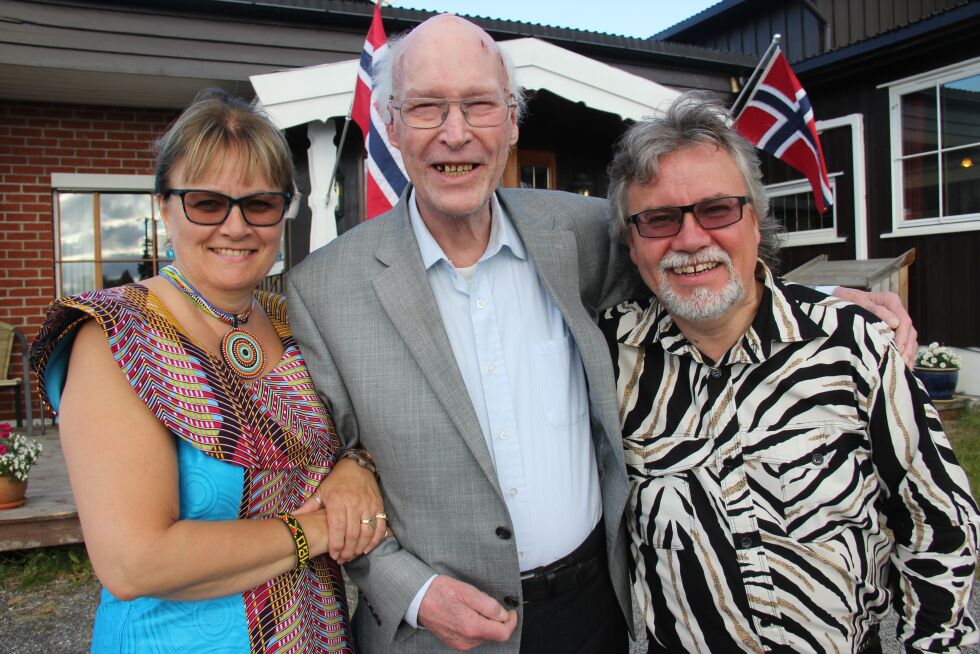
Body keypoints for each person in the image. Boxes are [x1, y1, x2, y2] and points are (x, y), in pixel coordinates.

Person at [287, 15, 918, 654]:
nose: (457, 133)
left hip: (595, 614)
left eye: (479, 105)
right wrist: (414, 590)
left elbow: (692, 262)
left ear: (511, 122)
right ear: (390, 124)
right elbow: (316, 484)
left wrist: (819, 305)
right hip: (435, 636)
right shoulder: (323, 291)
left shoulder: (585, 233)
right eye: (427, 108)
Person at [600, 93, 980, 654]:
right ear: (632, 246)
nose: (690, 239)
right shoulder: (604, 357)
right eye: (659, 220)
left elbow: (938, 523)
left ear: (755, 221)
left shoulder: (853, 345)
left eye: (717, 210)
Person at [29, 89, 386, 653]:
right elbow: (133, 560)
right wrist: (316, 530)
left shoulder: (294, 323)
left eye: (261, 203)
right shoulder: (116, 335)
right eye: (206, 203)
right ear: (164, 206)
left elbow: (354, 436)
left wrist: (355, 465)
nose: (236, 226)